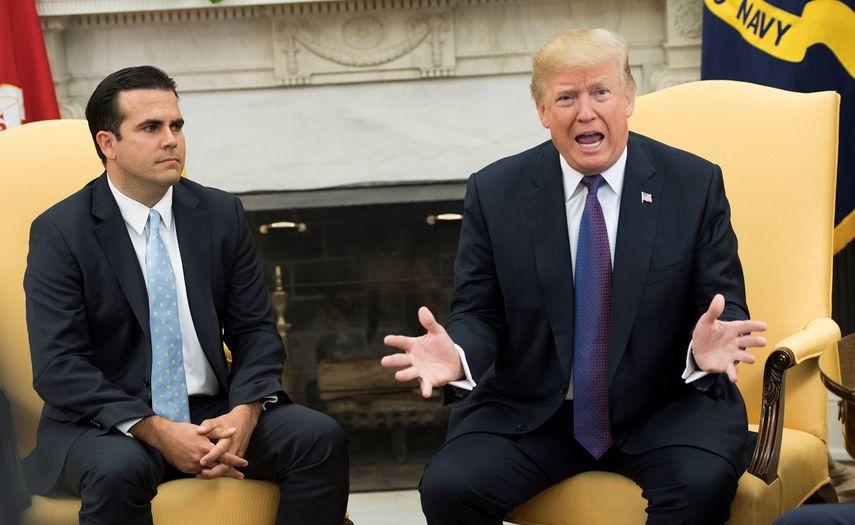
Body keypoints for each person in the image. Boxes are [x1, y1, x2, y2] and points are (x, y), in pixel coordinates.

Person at [382, 28, 767, 525]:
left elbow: (723, 306)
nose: (585, 112)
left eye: (600, 92)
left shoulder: (693, 184)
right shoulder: (496, 192)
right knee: (449, 487)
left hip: (664, 404)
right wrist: (458, 355)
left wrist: (705, 348)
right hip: (537, 412)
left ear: (628, 98)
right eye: (566, 97)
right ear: (543, 111)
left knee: (700, 486)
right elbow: (480, 312)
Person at [21, 65, 349, 525]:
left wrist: (244, 413)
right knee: (119, 470)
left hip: (214, 410)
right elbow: (59, 365)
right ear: (107, 144)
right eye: (151, 128)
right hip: (110, 423)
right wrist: (155, 430)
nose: (171, 139)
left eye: (176, 125)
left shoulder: (219, 213)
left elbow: (256, 331)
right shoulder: (61, 231)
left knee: (318, 437)